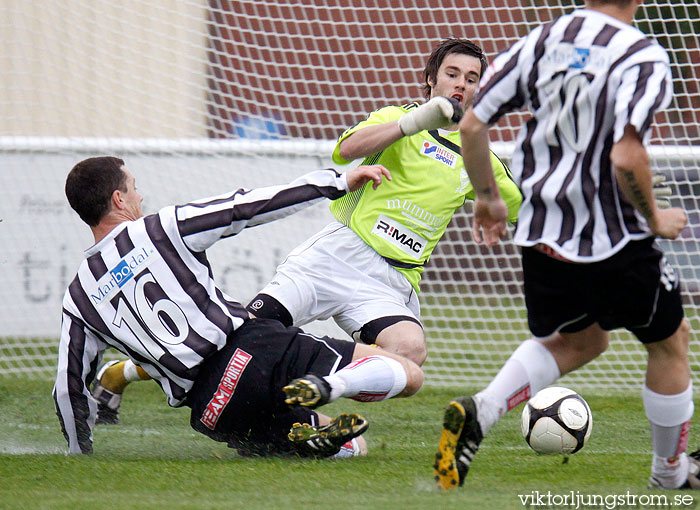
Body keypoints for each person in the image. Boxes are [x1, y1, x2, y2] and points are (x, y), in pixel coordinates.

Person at [434, 0, 698, 491]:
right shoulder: (641, 56)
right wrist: (657, 218)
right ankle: (671, 474)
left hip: (542, 233)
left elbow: (472, 124)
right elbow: (626, 155)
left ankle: (482, 410)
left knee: (584, 339)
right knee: (670, 340)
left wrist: (489, 199)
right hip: (612, 238)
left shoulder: (544, 39)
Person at [53, 156, 425, 458]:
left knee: (351, 446)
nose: (141, 197)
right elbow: (243, 207)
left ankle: (307, 432)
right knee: (408, 373)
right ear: (119, 199)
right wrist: (336, 183)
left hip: (213, 409)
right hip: (252, 350)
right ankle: (331, 384)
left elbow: (67, 389)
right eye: (134, 188)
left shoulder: (79, 298)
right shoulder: (161, 228)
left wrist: (77, 450)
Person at [246, 38, 523, 365]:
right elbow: (347, 150)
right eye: (452, 73)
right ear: (431, 79)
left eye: (472, 78)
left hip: (391, 281)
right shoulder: (397, 118)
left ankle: (320, 377)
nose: (461, 83)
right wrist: (413, 124)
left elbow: (529, 209)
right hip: (338, 255)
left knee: (409, 355)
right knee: (252, 331)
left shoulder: (480, 157)